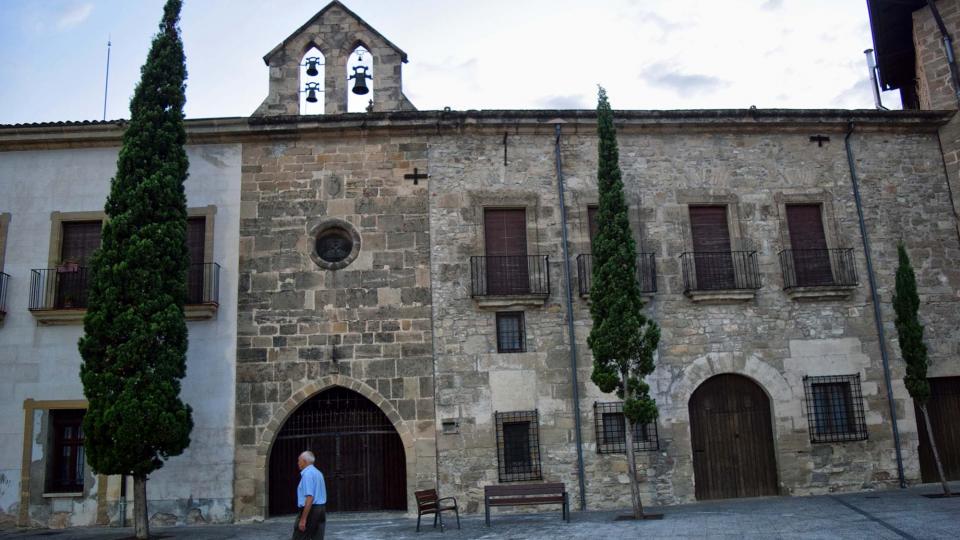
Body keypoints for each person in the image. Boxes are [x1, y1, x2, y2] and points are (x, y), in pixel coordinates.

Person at [293, 450, 327, 540]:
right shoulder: (318, 473)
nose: (298, 463)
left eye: (299, 460)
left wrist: (303, 519)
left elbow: (310, 497)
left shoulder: (307, 474)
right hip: (321, 509)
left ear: (304, 461)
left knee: (299, 536)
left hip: (311, 509)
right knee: (317, 537)